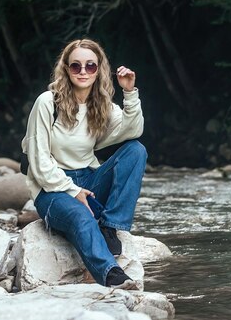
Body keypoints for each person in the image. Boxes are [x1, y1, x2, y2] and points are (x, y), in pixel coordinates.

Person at [21, 38, 146, 290]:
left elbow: (133, 131)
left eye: (90, 66)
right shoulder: (47, 102)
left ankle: (110, 226)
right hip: (52, 190)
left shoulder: (101, 105)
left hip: (89, 181)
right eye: (75, 66)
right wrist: (72, 190)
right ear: (66, 69)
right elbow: (38, 161)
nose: (82, 71)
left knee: (136, 151)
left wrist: (130, 92)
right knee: (81, 216)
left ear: (98, 69)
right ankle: (112, 275)